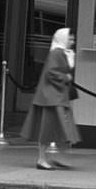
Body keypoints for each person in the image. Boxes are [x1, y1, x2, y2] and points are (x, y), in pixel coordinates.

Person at [20, 28, 79, 170]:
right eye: (70, 39)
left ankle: (50, 157)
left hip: (53, 96)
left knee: (54, 128)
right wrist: (66, 77)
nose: (73, 41)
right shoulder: (58, 53)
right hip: (52, 97)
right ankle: (44, 158)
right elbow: (51, 73)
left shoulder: (59, 52)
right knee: (52, 128)